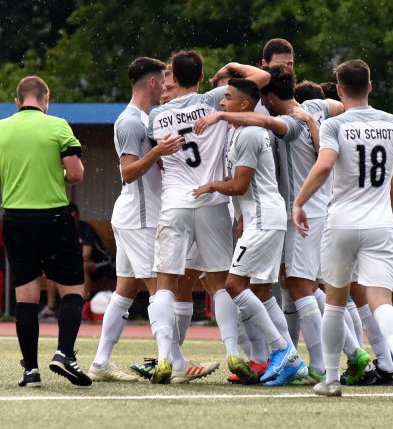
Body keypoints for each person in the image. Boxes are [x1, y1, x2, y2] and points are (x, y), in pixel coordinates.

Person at [292, 59, 393, 400]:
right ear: (370, 86)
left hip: (342, 223)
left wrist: (299, 201)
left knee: (334, 303)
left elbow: (326, 163)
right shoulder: (391, 123)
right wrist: (381, 173)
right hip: (378, 225)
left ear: (339, 89)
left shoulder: (335, 125)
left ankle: (331, 379)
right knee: (381, 302)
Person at [147, 51, 271, 384]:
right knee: (219, 285)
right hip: (213, 201)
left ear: (176, 80)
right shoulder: (214, 100)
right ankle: (232, 351)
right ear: (201, 76)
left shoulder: (156, 115)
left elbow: (158, 161)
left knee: (165, 284)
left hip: (174, 202)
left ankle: (163, 358)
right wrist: (231, 68)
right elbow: (261, 79)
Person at [193, 78, 306, 386]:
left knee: (233, 284)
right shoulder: (243, 131)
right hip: (262, 217)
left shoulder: (249, 134)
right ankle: (291, 359)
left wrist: (213, 185)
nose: (221, 103)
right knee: (261, 291)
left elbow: (240, 185)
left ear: (244, 105)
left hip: (263, 219)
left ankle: (284, 351)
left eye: (227, 98)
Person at [88, 57, 193, 383]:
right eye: (163, 80)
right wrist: (158, 153)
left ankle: (101, 361)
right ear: (151, 83)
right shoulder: (132, 122)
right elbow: (129, 172)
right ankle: (174, 363)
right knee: (160, 288)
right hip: (141, 217)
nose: (166, 85)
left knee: (125, 291)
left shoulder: (146, 119)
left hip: (135, 216)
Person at [0, 75, 92, 388]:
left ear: (17, 102)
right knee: (72, 291)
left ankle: (30, 370)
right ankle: (64, 353)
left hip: (15, 219)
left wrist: (21, 175)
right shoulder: (58, 125)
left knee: (26, 297)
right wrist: (51, 174)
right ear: (46, 98)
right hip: (54, 217)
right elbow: (75, 174)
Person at [68, 202, 116, 320]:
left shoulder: (86, 229)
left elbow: (86, 256)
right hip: (75, 264)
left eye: (74, 217)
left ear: (78, 215)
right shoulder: (63, 231)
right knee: (52, 268)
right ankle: (51, 308)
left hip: (103, 263)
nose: (72, 220)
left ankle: (84, 304)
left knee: (83, 266)